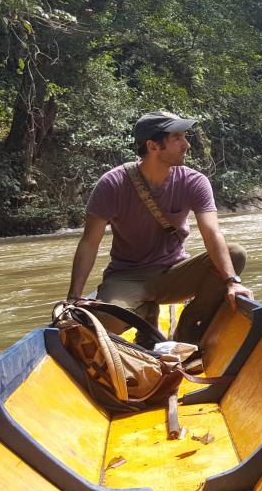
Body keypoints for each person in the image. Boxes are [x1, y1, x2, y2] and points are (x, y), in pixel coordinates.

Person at [62, 111, 252, 343]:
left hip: (174, 272)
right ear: (153, 146)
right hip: (127, 276)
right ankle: (146, 312)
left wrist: (232, 282)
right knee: (105, 324)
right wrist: (73, 298)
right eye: (177, 138)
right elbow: (89, 243)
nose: (187, 145)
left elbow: (212, 234)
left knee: (236, 254)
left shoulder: (194, 181)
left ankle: (189, 324)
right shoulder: (112, 184)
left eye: (185, 137)